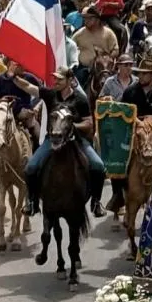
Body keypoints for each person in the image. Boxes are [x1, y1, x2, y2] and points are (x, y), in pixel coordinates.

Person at [13, 66, 107, 217]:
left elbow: (89, 123)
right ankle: (32, 202)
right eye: (55, 78)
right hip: (52, 139)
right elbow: (28, 87)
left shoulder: (80, 99)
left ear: (69, 80)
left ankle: (96, 202)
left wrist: (72, 126)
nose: (55, 81)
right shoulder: (50, 94)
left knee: (99, 166)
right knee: (30, 167)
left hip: (76, 140)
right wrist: (13, 76)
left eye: (59, 79)